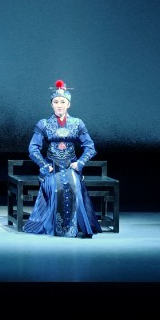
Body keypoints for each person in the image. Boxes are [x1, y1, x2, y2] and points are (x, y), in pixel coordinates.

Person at [23, 79, 100, 238]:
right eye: (56, 102)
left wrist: (80, 163)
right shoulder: (43, 123)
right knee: (56, 188)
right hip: (51, 166)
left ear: (68, 104)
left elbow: (90, 146)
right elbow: (33, 148)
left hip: (71, 166)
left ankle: (78, 227)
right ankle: (57, 227)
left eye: (63, 102)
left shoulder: (77, 123)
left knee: (74, 187)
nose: (59, 105)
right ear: (51, 104)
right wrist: (44, 165)